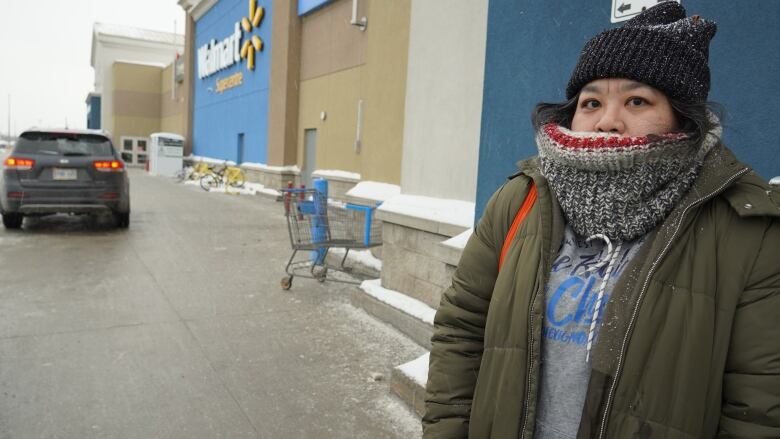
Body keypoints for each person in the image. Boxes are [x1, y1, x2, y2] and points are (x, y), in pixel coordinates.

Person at [423, 2, 780, 438]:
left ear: (683, 117)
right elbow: (461, 330)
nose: (608, 122)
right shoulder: (521, 199)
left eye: (637, 100)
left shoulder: (748, 229)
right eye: (591, 101)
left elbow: (758, 407)